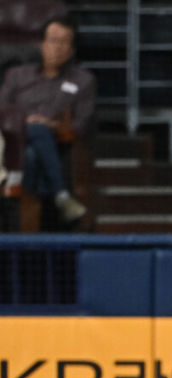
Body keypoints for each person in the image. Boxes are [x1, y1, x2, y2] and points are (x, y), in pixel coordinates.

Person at [0, 17, 95, 225]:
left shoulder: (82, 81)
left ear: (71, 49)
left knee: (32, 154)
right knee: (34, 131)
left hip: (55, 145)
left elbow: (81, 123)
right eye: (53, 40)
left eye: (64, 42)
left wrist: (51, 126)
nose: (57, 48)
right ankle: (61, 195)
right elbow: (2, 111)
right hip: (12, 141)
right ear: (42, 44)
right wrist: (25, 123)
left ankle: (20, 223)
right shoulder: (16, 76)